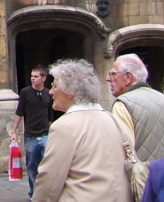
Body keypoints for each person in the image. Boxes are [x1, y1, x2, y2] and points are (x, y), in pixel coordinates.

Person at [30, 58, 131, 202]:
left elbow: (50, 180)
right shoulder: (112, 119)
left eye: (54, 85)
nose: (51, 91)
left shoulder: (64, 126)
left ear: (71, 91)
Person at [107, 54, 164, 163]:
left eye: (113, 74)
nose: (108, 79)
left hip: (143, 173)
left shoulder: (122, 105)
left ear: (128, 77)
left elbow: (121, 153)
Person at [11, 64, 53, 199]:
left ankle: (45, 193)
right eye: (31, 76)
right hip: (31, 136)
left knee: (46, 166)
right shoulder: (25, 92)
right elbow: (19, 112)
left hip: (45, 134)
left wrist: (51, 132)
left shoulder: (48, 94)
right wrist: (14, 131)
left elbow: (50, 116)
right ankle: (34, 193)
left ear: (43, 78)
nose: (32, 79)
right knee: (32, 166)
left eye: (36, 76)